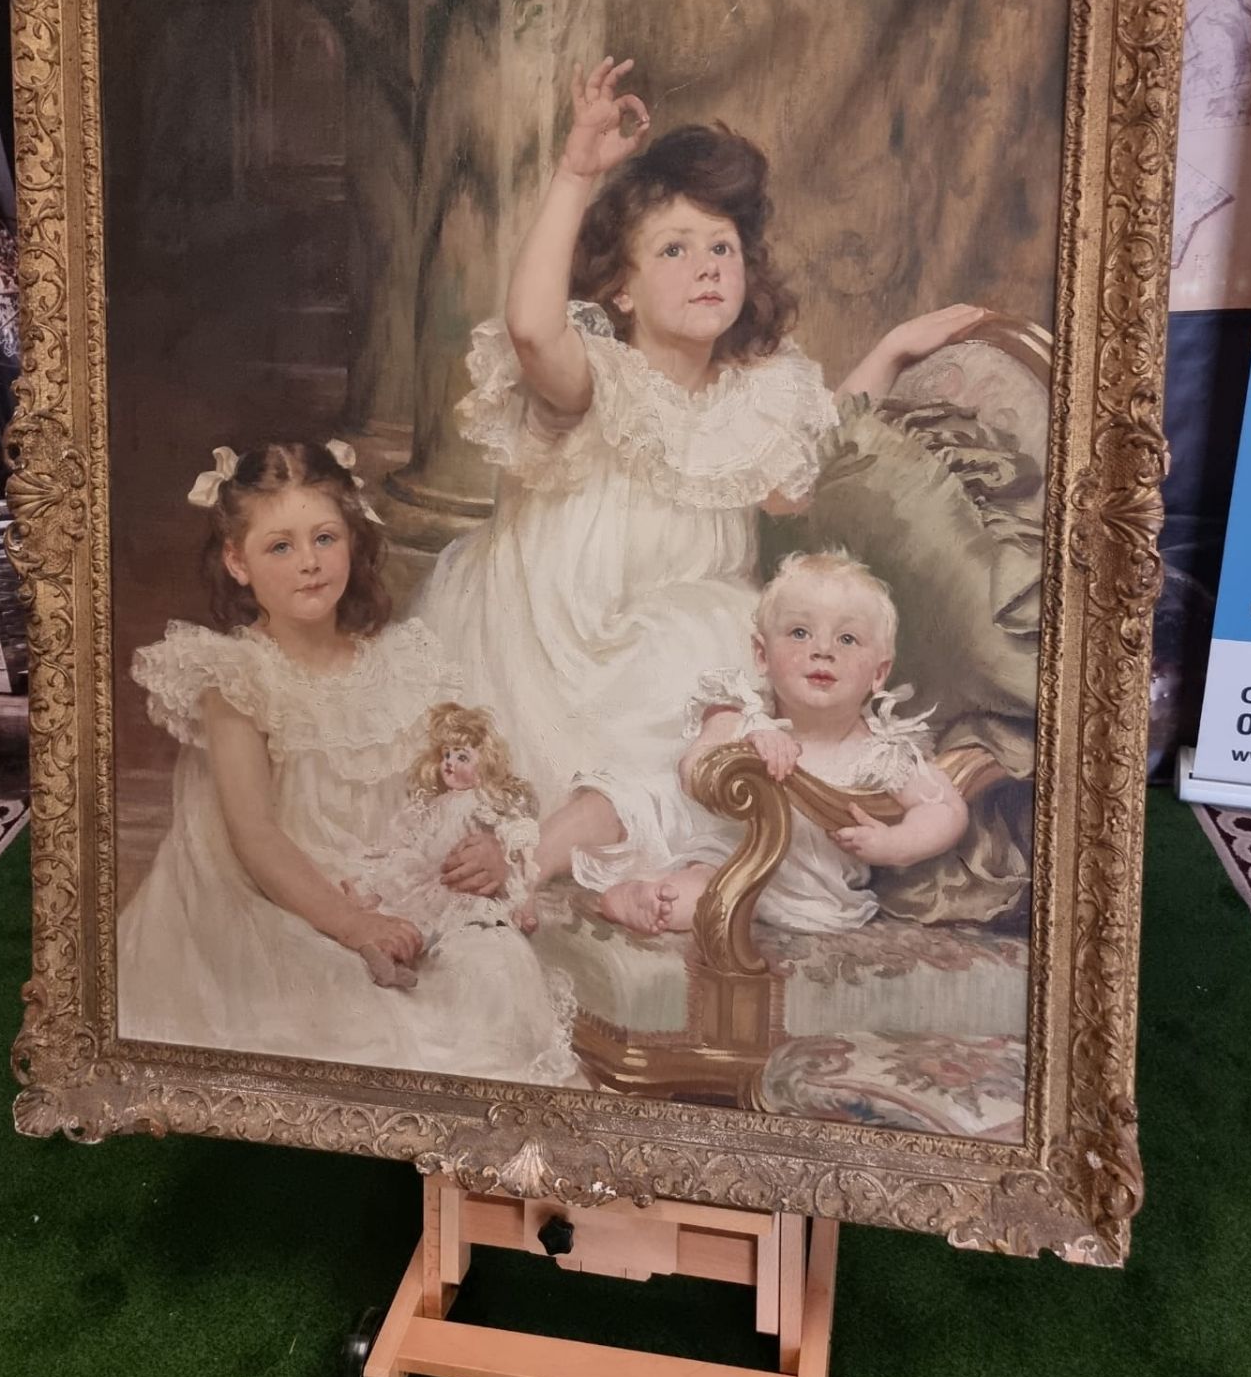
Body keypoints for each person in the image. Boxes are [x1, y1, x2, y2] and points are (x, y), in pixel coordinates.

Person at [417, 54, 982, 898]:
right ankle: (537, 848)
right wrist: (576, 174)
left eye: (722, 246)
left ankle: (539, 852)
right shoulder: (598, 378)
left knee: (711, 646)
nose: (709, 265)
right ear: (621, 290)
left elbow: (811, 459)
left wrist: (892, 350)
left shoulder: (758, 396)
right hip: (551, 627)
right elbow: (533, 331)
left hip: (681, 636)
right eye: (674, 250)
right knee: (696, 647)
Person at [117, 440, 575, 1085]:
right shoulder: (238, 679)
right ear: (236, 561)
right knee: (357, 1023)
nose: (308, 563)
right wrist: (353, 924)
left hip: (408, 887)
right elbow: (254, 835)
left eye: (325, 538)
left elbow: (459, 782)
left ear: (353, 544)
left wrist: (490, 845)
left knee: (498, 976)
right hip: (293, 901)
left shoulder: (401, 664)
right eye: (280, 546)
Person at [581, 552, 971, 937]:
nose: (823, 650)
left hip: (807, 891)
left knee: (726, 905)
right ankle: (638, 897)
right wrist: (748, 741)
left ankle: (653, 894)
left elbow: (946, 807)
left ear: (879, 673)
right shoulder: (747, 717)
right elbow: (692, 770)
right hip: (729, 861)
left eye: (847, 639)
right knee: (701, 895)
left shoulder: (879, 753)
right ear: (762, 654)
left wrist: (896, 843)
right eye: (800, 633)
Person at [346, 702, 543, 942]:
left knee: (458, 922)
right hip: (425, 874)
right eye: (447, 755)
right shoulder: (434, 803)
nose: (449, 762)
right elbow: (409, 834)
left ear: (483, 767)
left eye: (462, 757)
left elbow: (513, 837)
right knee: (400, 903)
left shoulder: (483, 801)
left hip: (457, 883)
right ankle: (383, 947)